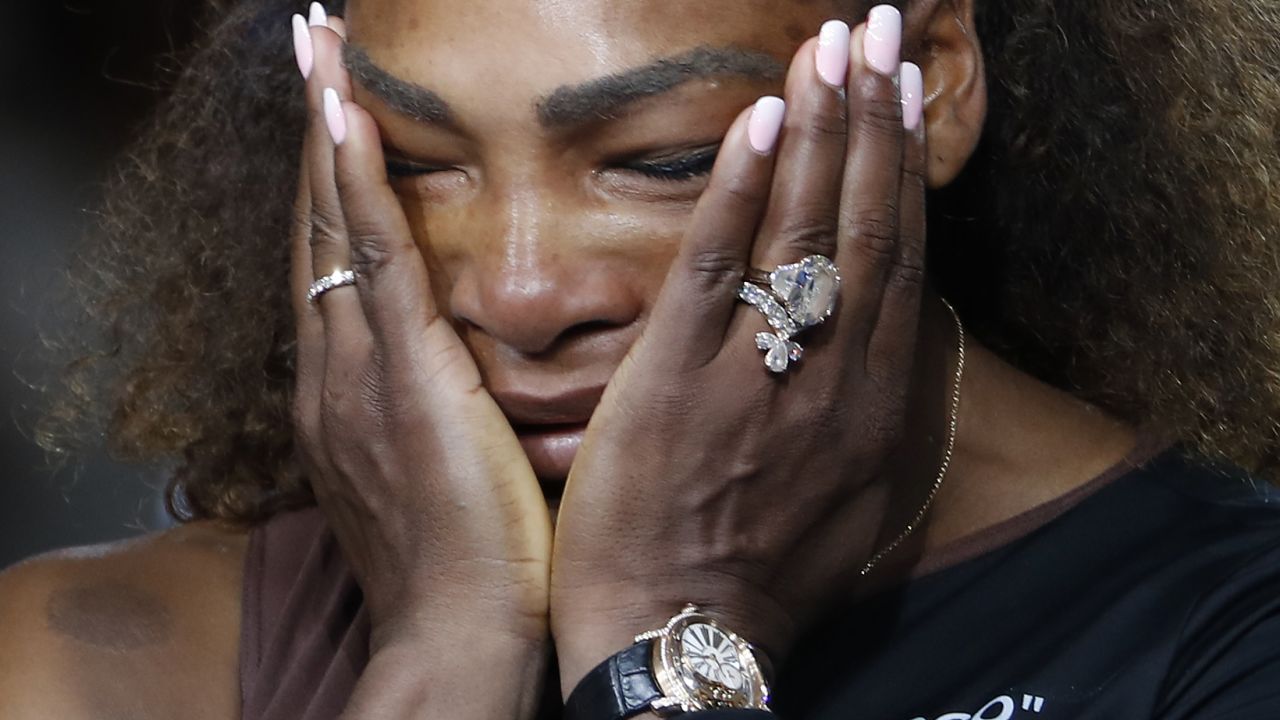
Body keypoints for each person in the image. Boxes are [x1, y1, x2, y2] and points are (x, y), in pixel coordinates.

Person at [3, 0, 1280, 717]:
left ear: (927, 85)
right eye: (412, 161)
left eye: (661, 160)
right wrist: (446, 650)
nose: (515, 291)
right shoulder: (92, 664)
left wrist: (661, 633)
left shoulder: (1227, 635)